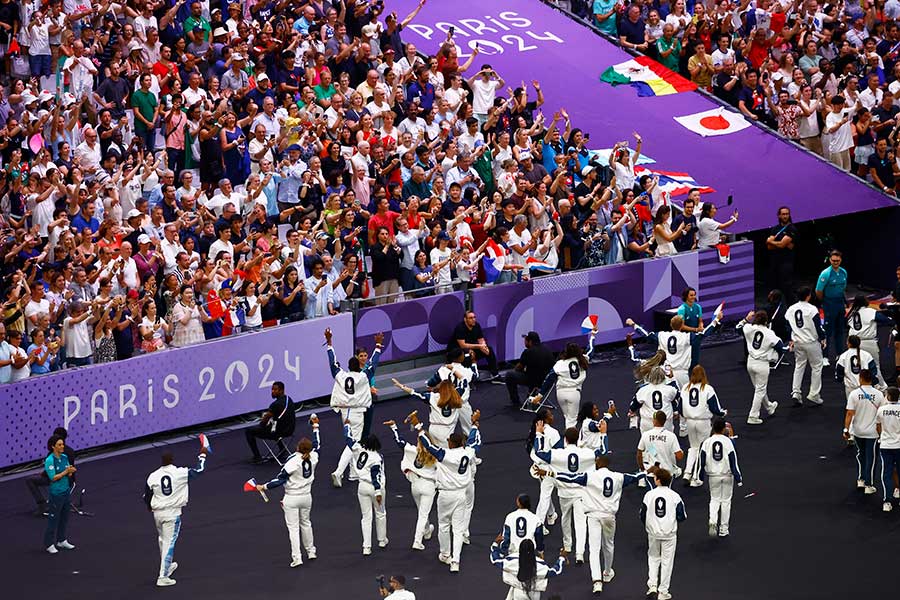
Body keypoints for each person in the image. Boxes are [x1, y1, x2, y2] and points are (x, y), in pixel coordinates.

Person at [546, 454, 646, 594]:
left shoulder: (590, 476)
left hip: (593, 516)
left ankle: (597, 582)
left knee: (594, 549)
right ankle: (607, 572)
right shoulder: (618, 477)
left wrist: (550, 473)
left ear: (598, 463)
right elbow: (635, 477)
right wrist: (648, 471)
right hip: (609, 516)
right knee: (609, 545)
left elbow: (570, 478)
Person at [410, 409, 482, 573]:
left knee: (443, 525)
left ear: (451, 443)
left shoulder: (446, 454)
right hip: (461, 494)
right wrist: (474, 424)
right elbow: (474, 441)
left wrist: (418, 427)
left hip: (446, 495)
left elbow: (428, 445)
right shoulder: (467, 452)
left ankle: (445, 554)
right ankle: (455, 561)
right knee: (458, 528)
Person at [532, 420, 604, 564]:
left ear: (565, 439)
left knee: (565, 520)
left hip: (564, 492)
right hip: (581, 492)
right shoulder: (586, 453)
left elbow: (539, 453)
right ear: (578, 439)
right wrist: (603, 433)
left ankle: (567, 546)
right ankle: (580, 554)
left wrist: (538, 433)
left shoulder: (558, 453)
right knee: (581, 522)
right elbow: (602, 450)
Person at [257, 416, 321, 567]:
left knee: (293, 528)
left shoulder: (292, 461)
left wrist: (263, 486)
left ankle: (297, 558)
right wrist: (316, 427)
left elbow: (280, 480)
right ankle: (311, 551)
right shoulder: (314, 456)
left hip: (292, 498)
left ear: (298, 447)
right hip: (307, 496)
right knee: (306, 523)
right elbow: (317, 444)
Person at [143, 442, 208, 587]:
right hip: (172, 514)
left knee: (162, 539)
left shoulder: (152, 476)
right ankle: (163, 577)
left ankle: (168, 564)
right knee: (168, 543)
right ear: (172, 460)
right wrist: (203, 454)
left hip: (157, 514)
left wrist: (149, 508)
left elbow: (147, 496)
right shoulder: (180, 473)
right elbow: (199, 469)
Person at [326, 328, 383, 487]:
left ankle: (353, 473)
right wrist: (378, 345)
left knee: (352, 441)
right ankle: (338, 472)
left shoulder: (341, 375)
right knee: (353, 443)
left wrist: (329, 344)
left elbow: (332, 363)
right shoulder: (363, 376)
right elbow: (374, 363)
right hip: (357, 412)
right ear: (358, 366)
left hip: (345, 412)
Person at [626, 313, 720, 390]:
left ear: (671, 325)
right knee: (683, 400)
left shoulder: (662, 335)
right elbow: (704, 334)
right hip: (681, 373)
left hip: (665, 372)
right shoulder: (687, 337)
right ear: (682, 325)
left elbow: (646, 335)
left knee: (667, 399)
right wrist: (715, 320)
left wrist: (634, 324)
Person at [385, 419, 437, 550]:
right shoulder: (435, 454)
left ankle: (426, 531)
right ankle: (417, 541)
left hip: (415, 485)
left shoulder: (412, 450)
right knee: (423, 514)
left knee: (421, 511)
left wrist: (394, 427)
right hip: (429, 486)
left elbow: (400, 442)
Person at [640, 467, 687, 600]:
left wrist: (649, 526)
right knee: (667, 562)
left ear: (658, 480)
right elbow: (682, 516)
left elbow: (642, 514)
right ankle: (663, 592)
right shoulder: (675, 496)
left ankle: (652, 586)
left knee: (653, 558)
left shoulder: (649, 495)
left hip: (653, 533)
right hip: (669, 534)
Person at [342, 422, 387, 556]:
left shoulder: (358, 450)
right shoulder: (377, 458)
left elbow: (348, 439)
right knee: (380, 513)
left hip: (362, 487)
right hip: (375, 488)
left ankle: (366, 546)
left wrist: (347, 426)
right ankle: (382, 540)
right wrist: (378, 491)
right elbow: (375, 476)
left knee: (366, 517)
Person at [737, 310, 787, 425]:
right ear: (766, 321)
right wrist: (784, 351)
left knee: (759, 388)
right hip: (762, 364)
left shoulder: (749, 328)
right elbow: (781, 347)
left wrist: (746, 319)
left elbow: (738, 328)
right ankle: (753, 416)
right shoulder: (769, 333)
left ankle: (769, 406)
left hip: (750, 363)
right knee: (760, 389)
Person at [681, 365, 726, 486]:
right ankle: (696, 477)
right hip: (703, 422)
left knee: (693, 447)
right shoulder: (707, 389)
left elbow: (680, 407)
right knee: (702, 449)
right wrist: (723, 413)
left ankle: (687, 472)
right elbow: (715, 408)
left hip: (689, 421)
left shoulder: (685, 387)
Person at [843, 369, 886, 496]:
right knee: (871, 458)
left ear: (860, 378)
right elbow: (881, 414)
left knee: (860, 455)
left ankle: (861, 479)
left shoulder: (854, 394)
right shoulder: (878, 394)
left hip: (858, 431)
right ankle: (869, 484)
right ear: (871, 379)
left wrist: (846, 429)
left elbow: (849, 413)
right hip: (872, 432)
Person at [530, 341, 590, 429]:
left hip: (560, 393)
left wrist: (539, 396)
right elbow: (591, 349)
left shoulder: (560, 363)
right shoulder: (583, 360)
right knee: (572, 420)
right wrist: (592, 336)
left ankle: (569, 438)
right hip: (574, 393)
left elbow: (549, 380)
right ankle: (571, 441)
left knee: (567, 417)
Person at [699, 418, 742, 537]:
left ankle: (713, 521)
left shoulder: (706, 442)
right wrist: (738, 478)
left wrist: (700, 476)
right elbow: (734, 461)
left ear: (712, 428)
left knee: (714, 499)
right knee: (726, 501)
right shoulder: (729, 442)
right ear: (724, 429)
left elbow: (701, 461)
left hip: (713, 476)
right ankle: (724, 529)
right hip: (727, 475)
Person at [392, 378, 462, 447]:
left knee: (435, 451)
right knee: (446, 454)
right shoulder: (457, 396)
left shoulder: (432, 397)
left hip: (434, 429)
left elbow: (415, 393)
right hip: (448, 430)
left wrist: (401, 386)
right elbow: (464, 382)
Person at [787, 287, 826, 407]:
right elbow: (818, 326)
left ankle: (796, 392)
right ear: (808, 296)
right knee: (817, 366)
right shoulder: (812, 309)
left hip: (798, 342)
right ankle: (814, 394)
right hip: (811, 342)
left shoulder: (791, 309)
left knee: (799, 366)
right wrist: (823, 337)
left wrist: (791, 338)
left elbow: (788, 325)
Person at [489, 538, 565, 600]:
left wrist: (495, 544)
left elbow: (495, 560)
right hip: (535, 594)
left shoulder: (513, 561)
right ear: (533, 550)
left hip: (519, 593)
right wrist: (561, 558)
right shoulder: (540, 564)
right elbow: (555, 571)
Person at [525, 408, 561, 531]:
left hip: (538, 466)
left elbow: (531, 450)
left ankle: (551, 515)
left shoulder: (535, 429)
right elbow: (559, 452)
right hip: (549, 468)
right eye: (550, 415)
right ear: (546, 419)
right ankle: (538, 525)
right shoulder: (553, 432)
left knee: (545, 492)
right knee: (545, 496)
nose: (552, 416)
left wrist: (537, 463)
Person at [26, 427, 75, 517]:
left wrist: (43, 474)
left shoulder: (53, 452)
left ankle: (42, 504)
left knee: (30, 480)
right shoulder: (71, 451)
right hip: (69, 480)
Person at [426, 348, 476, 434]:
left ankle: (444, 445)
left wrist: (435, 389)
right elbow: (475, 376)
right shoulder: (465, 370)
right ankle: (469, 446)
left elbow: (430, 383)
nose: (464, 356)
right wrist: (474, 361)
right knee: (469, 430)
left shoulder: (443, 369)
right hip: (462, 403)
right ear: (460, 358)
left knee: (446, 429)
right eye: (462, 355)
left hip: (447, 404)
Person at [244, 382, 296, 464]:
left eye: (275, 389)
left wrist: (261, 426)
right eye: (272, 389)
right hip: (290, 430)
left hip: (278, 432)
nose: (272, 391)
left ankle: (257, 457)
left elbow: (265, 419)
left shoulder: (275, 405)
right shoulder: (289, 399)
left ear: (281, 390)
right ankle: (283, 450)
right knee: (275, 426)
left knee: (249, 431)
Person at [43, 433, 76, 555]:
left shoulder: (65, 457)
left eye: (62, 444)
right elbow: (53, 477)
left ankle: (61, 540)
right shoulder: (50, 460)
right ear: (53, 447)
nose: (62, 446)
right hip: (56, 493)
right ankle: (49, 543)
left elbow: (68, 473)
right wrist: (65, 471)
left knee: (64, 517)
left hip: (66, 491)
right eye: (59, 445)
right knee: (53, 519)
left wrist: (70, 472)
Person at [504, 331, 556, 407]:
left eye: (525, 340)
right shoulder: (547, 349)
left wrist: (520, 369)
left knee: (509, 375)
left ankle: (515, 401)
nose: (524, 342)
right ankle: (532, 393)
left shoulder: (528, 352)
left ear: (530, 341)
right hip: (547, 381)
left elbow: (518, 368)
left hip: (533, 381)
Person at [816, 250, 848, 366]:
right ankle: (824, 356)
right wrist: (825, 301)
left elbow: (843, 288)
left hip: (839, 303)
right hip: (829, 303)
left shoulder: (843, 272)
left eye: (838, 261)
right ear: (830, 260)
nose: (835, 262)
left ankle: (839, 354)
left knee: (840, 330)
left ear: (841, 260)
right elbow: (818, 291)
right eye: (833, 261)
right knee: (827, 331)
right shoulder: (825, 274)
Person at [448, 311, 500, 381]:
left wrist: (484, 346)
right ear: (465, 319)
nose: (473, 319)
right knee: (469, 353)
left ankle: (495, 375)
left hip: (471, 348)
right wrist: (479, 346)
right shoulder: (460, 328)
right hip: (456, 352)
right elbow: (462, 345)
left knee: (489, 350)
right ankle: (469, 380)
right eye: (470, 318)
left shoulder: (477, 326)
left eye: (474, 317)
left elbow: (481, 339)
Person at [847, 294, 893, 371]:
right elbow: (887, 321)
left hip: (854, 343)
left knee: (857, 369)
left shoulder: (851, 314)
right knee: (875, 368)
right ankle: (878, 383)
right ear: (865, 302)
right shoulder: (871, 312)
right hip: (869, 342)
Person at [630, 366, 680, 435]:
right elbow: (678, 395)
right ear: (663, 376)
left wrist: (632, 412)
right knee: (666, 444)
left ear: (650, 377)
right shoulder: (670, 389)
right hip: (665, 423)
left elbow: (634, 404)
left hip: (648, 423)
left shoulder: (643, 390)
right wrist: (672, 379)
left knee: (648, 444)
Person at [637, 411, 684, 481]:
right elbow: (679, 456)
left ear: (654, 421)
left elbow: (639, 453)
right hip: (667, 473)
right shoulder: (671, 436)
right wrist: (682, 452)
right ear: (664, 421)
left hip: (652, 473)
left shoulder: (646, 435)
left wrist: (642, 469)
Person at [766, 207, 798, 303]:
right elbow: (769, 247)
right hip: (775, 262)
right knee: (775, 287)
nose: (785, 216)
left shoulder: (792, 229)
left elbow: (781, 244)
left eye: (787, 214)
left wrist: (773, 242)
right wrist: (779, 244)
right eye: (783, 214)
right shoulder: (775, 229)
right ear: (779, 215)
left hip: (787, 263)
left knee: (787, 288)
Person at [876, 387, 900, 512]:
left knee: (887, 473)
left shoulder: (881, 410)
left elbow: (878, 426)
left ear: (889, 397)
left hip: (886, 446)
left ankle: (887, 501)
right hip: (899, 445)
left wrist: (882, 436)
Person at [676, 287, 705, 370]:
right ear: (686, 296)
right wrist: (695, 329)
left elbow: (700, 320)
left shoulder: (698, 307)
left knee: (695, 357)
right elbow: (681, 326)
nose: (693, 297)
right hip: (685, 337)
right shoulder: (682, 309)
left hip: (696, 337)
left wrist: (701, 325)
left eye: (694, 295)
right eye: (691, 295)